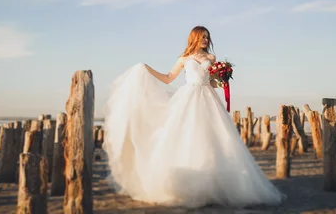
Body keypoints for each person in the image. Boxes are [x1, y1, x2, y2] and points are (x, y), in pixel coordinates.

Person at [102, 25, 285, 209]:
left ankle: (215, 187)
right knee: (185, 137)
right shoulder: (184, 59)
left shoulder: (211, 58)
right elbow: (168, 78)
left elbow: (212, 82)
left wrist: (222, 80)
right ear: (195, 38)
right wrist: (146, 69)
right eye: (203, 36)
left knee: (214, 139)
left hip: (208, 99)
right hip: (188, 98)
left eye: (207, 37)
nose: (206, 39)